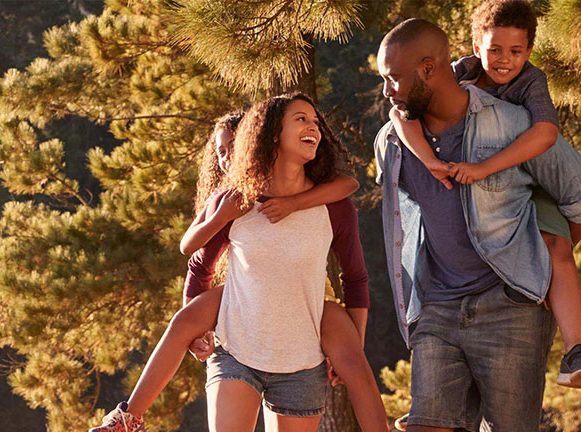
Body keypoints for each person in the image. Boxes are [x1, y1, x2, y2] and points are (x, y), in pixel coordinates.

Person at [90, 95, 388, 432]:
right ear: (272, 134)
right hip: (238, 345)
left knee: (352, 356)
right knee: (186, 319)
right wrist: (201, 332)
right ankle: (127, 419)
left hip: (303, 352)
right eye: (301, 119)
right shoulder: (235, 201)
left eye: (315, 122)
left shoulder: (333, 205)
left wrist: (352, 345)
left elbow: (356, 278)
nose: (312, 127)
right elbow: (197, 262)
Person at [374, 17, 581, 432]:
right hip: (436, 308)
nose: (387, 91)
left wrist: (541, 261)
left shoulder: (515, 124)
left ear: (428, 68)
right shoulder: (391, 141)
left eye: (393, 78)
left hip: (510, 308)